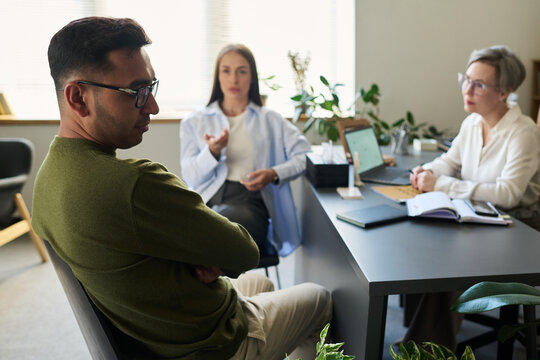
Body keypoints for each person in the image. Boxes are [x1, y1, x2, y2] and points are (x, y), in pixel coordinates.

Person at [32, 17, 331, 360]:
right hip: (210, 342)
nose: (153, 107)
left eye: (152, 87)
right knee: (320, 298)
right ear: (79, 99)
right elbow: (246, 253)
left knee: (262, 284)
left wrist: (190, 254)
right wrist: (203, 252)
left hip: (163, 322)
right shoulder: (136, 184)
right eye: (137, 92)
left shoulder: (47, 181)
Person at [405, 45, 540, 350]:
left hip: (520, 225)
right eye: (465, 79)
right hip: (479, 214)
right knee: (422, 240)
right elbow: (449, 162)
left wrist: (441, 185)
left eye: (479, 84)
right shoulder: (473, 123)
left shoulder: (524, 132)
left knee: (449, 261)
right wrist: (425, 171)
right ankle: (421, 339)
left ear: (504, 92)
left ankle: (429, 349)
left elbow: (509, 193)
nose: (467, 89)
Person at [180, 44, 311, 257]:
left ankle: (207, 277)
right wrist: (211, 152)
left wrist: (273, 174)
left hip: (249, 203)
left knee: (215, 230)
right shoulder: (194, 122)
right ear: (218, 77)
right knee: (184, 229)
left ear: (252, 78)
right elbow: (190, 176)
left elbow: (306, 156)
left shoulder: (270, 120)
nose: (234, 79)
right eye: (226, 71)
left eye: (242, 71)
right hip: (206, 200)